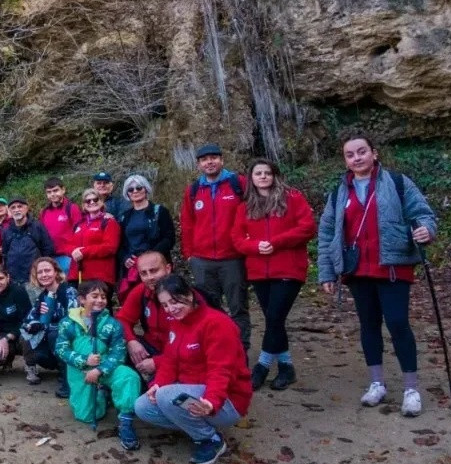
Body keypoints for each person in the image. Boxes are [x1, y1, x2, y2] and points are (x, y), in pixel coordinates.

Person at [318, 132, 437, 416]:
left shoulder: (396, 183)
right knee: (369, 325)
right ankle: (377, 383)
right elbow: (326, 233)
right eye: (350, 154)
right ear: (345, 161)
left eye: (361, 151)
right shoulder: (338, 193)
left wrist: (425, 230)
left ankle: (410, 388)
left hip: (392, 266)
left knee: (397, 323)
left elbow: (423, 213)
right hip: (357, 270)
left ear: (374, 153)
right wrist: (326, 272)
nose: (357, 158)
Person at [134, 275, 252, 464]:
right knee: (143, 406)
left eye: (174, 301)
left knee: (167, 396)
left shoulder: (216, 323)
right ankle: (196, 427)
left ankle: (210, 439)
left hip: (226, 399)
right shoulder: (177, 322)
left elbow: (221, 369)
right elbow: (170, 361)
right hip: (193, 390)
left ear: (189, 295)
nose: (171, 309)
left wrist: (212, 401)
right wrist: (157, 385)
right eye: (165, 305)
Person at [232, 159, 316, 391]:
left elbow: (307, 227)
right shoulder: (245, 207)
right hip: (259, 271)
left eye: (267, 173)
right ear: (251, 178)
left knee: (275, 317)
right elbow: (237, 239)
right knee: (273, 319)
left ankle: (262, 365)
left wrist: (276, 242)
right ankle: (287, 368)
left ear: (275, 175)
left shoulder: (293, 198)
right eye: (258, 173)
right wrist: (255, 246)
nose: (263, 176)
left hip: (288, 268)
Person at [180, 144, 252, 355]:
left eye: (213, 158)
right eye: (204, 159)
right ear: (199, 164)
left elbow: (253, 214)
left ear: (222, 160)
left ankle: (241, 351)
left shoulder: (238, 184)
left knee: (238, 307)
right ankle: (218, 349)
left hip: (233, 258)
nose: (209, 162)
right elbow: (187, 224)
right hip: (202, 260)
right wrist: (190, 255)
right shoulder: (193, 190)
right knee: (208, 308)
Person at [55, 281, 141, 449]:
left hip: (105, 367)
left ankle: (126, 421)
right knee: (87, 415)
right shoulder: (67, 322)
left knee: (128, 376)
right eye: (94, 296)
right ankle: (103, 394)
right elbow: (61, 349)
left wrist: (99, 370)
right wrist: (83, 360)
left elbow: (119, 352)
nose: (100, 300)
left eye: (103, 297)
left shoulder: (113, 324)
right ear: (81, 299)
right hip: (80, 370)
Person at [115, 251, 176, 381]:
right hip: (152, 347)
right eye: (144, 273)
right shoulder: (141, 290)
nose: (149, 277)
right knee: (115, 341)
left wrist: (158, 362)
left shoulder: (184, 297)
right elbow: (121, 319)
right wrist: (131, 341)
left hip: (178, 356)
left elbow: (192, 345)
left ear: (168, 269)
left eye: (154, 271)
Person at [21, 257, 75, 397]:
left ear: (56, 272)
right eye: (40, 272)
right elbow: (27, 322)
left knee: (54, 334)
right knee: (31, 343)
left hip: (72, 339)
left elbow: (75, 320)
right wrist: (37, 318)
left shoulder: (68, 291)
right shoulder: (43, 296)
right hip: (53, 340)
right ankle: (59, 368)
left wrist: (49, 324)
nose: (44, 275)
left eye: (47, 270)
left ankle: (68, 380)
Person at [116, 175, 175, 297]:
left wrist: (151, 256)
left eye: (138, 187)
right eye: (131, 189)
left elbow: (169, 238)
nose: (135, 191)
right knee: (138, 300)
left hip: (156, 265)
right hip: (133, 267)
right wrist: (125, 258)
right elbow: (120, 243)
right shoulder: (124, 217)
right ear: (127, 194)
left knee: (163, 296)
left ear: (146, 189)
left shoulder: (159, 211)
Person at [0, 196, 54, 298]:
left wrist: (42, 273)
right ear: (9, 212)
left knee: (36, 308)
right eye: (13, 208)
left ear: (26, 208)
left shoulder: (37, 226)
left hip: (34, 280)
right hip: (14, 281)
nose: (16, 210)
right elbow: (5, 255)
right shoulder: (6, 231)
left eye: (20, 206)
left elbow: (48, 250)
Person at [0, 264, 30, 372]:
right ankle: (8, 357)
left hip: (21, 331)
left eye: (0, 278)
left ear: (8, 277)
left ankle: (30, 364)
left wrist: (8, 337)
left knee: (29, 340)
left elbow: (26, 318)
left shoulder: (18, 291)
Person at [68, 188, 121, 287]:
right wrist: (72, 251)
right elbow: (70, 244)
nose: (92, 202)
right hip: (76, 275)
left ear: (101, 202)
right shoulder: (79, 223)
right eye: (88, 201)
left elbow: (110, 248)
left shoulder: (109, 222)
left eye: (95, 199)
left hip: (99, 276)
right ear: (83, 205)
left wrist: (83, 252)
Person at [41, 177, 83, 274]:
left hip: (67, 257)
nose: (52, 194)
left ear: (63, 190)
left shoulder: (72, 208)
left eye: (55, 190)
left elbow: (80, 232)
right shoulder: (44, 212)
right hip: (50, 257)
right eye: (49, 192)